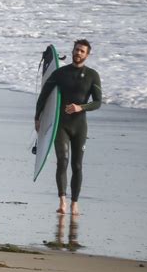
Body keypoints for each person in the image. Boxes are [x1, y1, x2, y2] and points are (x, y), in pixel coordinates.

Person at [34, 39, 102, 215]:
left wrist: (81, 107)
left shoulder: (92, 75)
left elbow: (97, 103)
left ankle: (75, 203)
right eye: (77, 50)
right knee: (62, 161)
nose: (78, 53)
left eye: (82, 51)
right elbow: (44, 95)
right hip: (61, 124)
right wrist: (37, 117)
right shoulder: (60, 73)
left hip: (79, 126)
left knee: (77, 165)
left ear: (87, 55)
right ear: (72, 51)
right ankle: (62, 201)